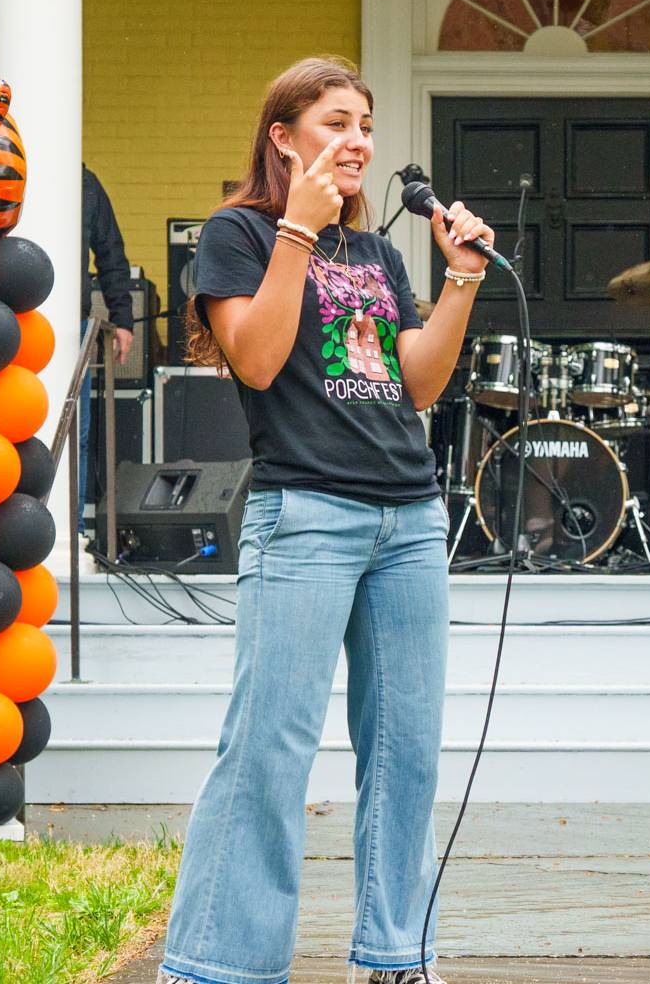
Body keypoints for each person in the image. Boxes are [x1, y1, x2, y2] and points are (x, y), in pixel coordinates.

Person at [158, 56, 493, 984]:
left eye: (367, 126)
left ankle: (393, 958)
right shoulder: (237, 234)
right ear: (284, 136)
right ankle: (217, 966)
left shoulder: (380, 254)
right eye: (337, 123)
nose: (359, 142)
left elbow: (413, 383)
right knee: (270, 746)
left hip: (408, 520)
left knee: (405, 753)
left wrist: (460, 283)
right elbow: (257, 363)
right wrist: (298, 235)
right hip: (305, 514)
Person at [78, 164, 137, 521]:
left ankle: (73, 528)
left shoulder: (85, 183)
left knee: (78, 433)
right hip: (11, 324)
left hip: (75, 326)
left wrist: (123, 319)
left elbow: (111, 254)